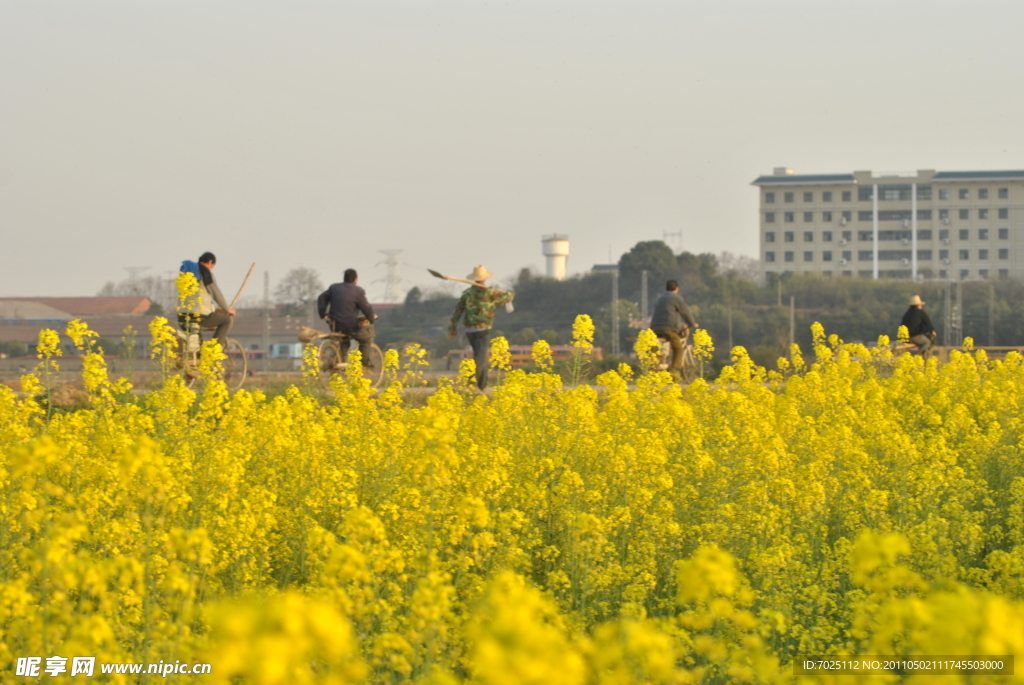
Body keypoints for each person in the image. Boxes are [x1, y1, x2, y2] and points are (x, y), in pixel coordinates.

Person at [448, 265, 514, 390]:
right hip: (483, 330)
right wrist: (510, 293)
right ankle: (473, 380)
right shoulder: (490, 292)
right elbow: (506, 298)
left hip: (469, 330)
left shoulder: (467, 293)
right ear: (484, 279)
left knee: (480, 357)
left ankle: (482, 385)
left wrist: (452, 328)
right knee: (480, 358)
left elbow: (457, 311)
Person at [317, 269, 377, 366]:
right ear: (355, 279)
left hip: (334, 324)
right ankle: (364, 364)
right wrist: (371, 318)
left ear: (344, 278)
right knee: (366, 340)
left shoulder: (334, 288)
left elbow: (321, 297)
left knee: (344, 342)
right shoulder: (358, 291)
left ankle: (335, 363)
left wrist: (323, 314)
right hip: (350, 325)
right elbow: (366, 307)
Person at [179, 252, 236, 349]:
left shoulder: (186, 273)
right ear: (210, 262)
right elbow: (215, 293)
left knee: (197, 345)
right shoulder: (205, 273)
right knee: (226, 321)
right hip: (199, 315)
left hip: (182, 316)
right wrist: (227, 309)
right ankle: (212, 351)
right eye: (212, 266)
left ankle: (200, 358)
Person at [649, 280, 698, 376]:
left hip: (655, 328)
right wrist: (692, 323)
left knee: (659, 347)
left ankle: (655, 365)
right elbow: (685, 312)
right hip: (669, 329)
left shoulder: (660, 298)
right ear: (676, 289)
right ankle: (673, 372)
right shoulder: (676, 298)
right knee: (678, 349)